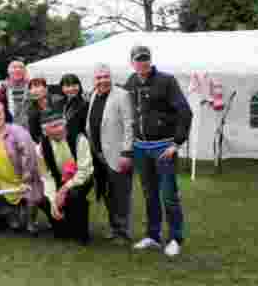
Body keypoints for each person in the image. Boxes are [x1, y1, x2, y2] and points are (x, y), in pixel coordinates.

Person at [124, 45, 192, 257]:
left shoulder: (167, 81)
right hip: (141, 148)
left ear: (150, 60)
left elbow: (185, 112)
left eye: (145, 58)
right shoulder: (131, 82)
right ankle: (153, 236)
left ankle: (175, 238)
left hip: (164, 147)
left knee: (169, 195)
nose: (142, 62)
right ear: (132, 63)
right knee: (149, 194)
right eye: (138, 59)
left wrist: (176, 143)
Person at [86, 63, 135, 243]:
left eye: (106, 76)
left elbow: (130, 125)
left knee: (121, 194)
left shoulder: (122, 95)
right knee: (108, 193)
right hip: (99, 154)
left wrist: (127, 153)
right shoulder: (94, 95)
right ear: (94, 80)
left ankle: (123, 232)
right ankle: (114, 228)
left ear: (111, 77)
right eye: (99, 77)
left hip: (118, 154)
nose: (103, 80)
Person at [0, 102, 43, 233]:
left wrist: (27, 174)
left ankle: (31, 222)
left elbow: (28, 153)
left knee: (30, 199)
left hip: (23, 175)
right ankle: (13, 217)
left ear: (5, 114)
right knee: (15, 224)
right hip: (2, 178)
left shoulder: (17, 131)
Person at [35, 108, 94, 245]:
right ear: (45, 131)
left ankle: (81, 234)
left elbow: (84, 171)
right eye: (54, 126)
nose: (59, 129)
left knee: (74, 195)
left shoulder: (79, 139)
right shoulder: (41, 148)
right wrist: (53, 200)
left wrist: (64, 189)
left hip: (82, 178)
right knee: (42, 198)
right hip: (58, 179)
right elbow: (46, 176)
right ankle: (63, 228)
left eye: (61, 124)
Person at [60, 73, 88, 144]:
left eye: (74, 85)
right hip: (63, 142)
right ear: (62, 88)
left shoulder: (85, 104)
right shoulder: (60, 103)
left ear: (79, 86)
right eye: (67, 86)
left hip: (78, 143)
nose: (71, 89)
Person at [5, 59, 32, 128]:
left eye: (21, 67)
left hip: (29, 127)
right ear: (8, 71)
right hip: (9, 127)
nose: (18, 70)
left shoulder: (32, 88)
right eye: (14, 67)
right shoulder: (2, 88)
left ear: (25, 71)